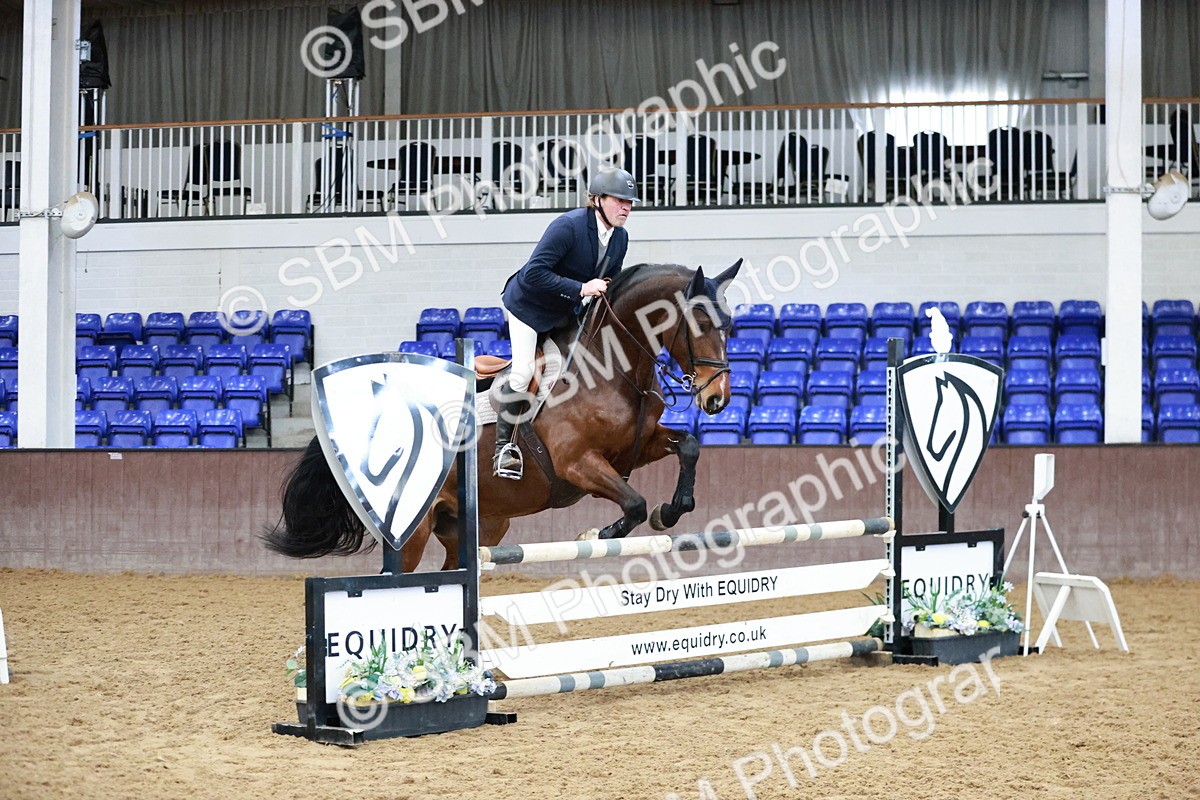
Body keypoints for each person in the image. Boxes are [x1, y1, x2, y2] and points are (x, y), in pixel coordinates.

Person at [493, 167, 640, 479]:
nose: (627, 207)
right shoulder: (568, 226)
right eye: (620, 200)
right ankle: (504, 447)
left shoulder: (620, 238)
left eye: (630, 202)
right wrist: (581, 288)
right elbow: (534, 273)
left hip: (564, 312)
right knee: (522, 373)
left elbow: (609, 280)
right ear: (598, 199)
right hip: (528, 308)